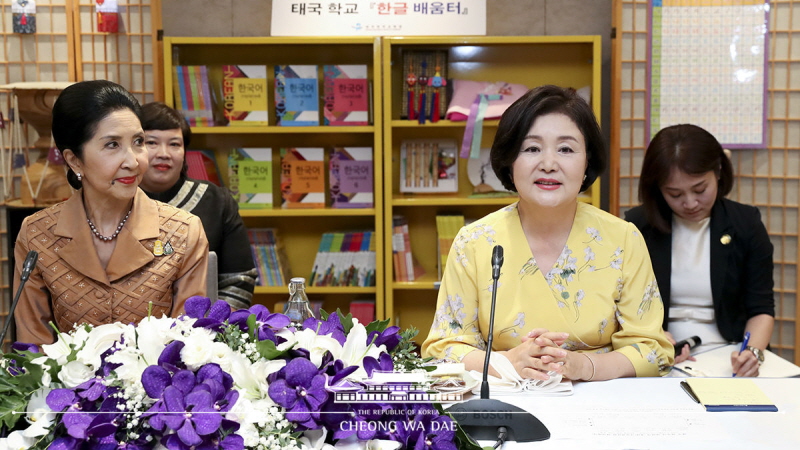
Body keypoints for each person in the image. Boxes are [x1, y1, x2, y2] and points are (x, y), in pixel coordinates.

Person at [421, 85, 673, 382]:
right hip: (506, 400)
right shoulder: (474, 242)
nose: (549, 164)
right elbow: (442, 350)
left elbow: (652, 349)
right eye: (532, 149)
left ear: (587, 162)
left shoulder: (623, 239)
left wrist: (583, 367)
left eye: (566, 149)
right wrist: (505, 363)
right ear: (509, 161)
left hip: (598, 403)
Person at [13, 80, 209, 346]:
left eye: (138, 142)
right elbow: (32, 349)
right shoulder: (37, 234)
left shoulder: (183, 231)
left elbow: (186, 345)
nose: (133, 161)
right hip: (62, 386)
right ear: (74, 160)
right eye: (112, 145)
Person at [625, 124, 774, 377]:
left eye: (700, 189)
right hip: (658, 354)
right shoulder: (637, 227)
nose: (691, 203)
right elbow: (621, 307)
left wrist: (753, 353)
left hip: (730, 354)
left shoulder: (746, 224)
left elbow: (761, 308)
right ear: (658, 189)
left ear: (717, 171)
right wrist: (652, 337)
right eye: (675, 194)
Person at [138, 102, 256, 309]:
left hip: (201, 331)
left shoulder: (218, 201)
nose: (164, 153)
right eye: (152, 143)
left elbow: (239, 279)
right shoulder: (116, 201)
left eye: (174, 144)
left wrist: (213, 326)